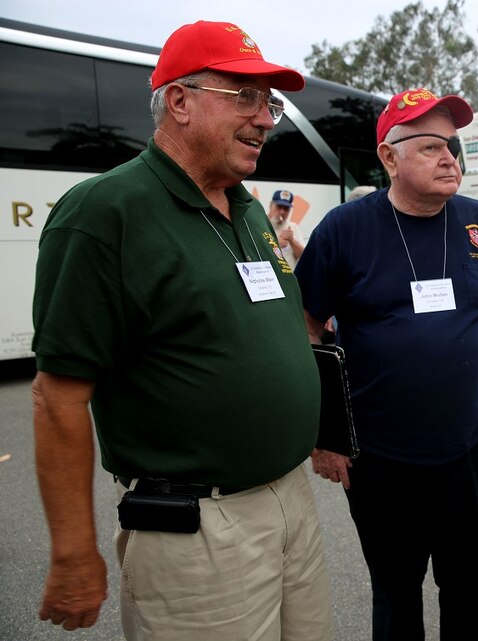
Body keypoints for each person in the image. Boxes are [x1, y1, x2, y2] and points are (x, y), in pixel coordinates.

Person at [31, 21, 334, 641]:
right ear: (180, 101)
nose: (266, 119)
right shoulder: (105, 212)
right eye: (245, 97)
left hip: (291, 502)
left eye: (269, 102)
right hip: (198, 527)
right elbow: (58, 396)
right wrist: (72, 550)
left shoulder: (247, 208)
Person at [295, 87, 478, 641]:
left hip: (466, 448)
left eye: (453, 145)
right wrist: (324, 433)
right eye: (429, 147)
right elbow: (305, 329)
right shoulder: (344, 230)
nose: (450, 157)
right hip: (378, 456)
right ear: (388, 158)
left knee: (469, 585)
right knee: (396, 591)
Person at [269, 188, 305, 268]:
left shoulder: (293, 227)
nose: (282, 212)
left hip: (288, 277)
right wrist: (276, 245)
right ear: (271, 205)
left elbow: (303, 256)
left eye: (286, 209)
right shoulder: (262, 225)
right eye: (279, 207)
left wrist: (292, 240)